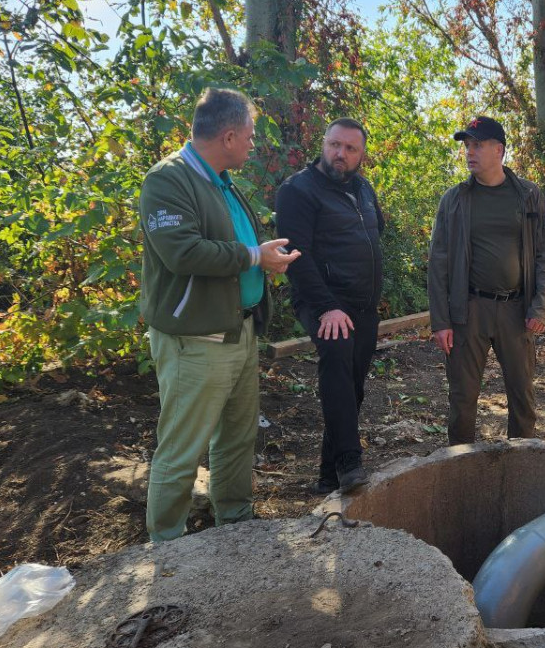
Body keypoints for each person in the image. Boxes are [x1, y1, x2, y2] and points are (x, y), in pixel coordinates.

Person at [139, 88, 300, 542]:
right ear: (228, 136)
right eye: (249, 136)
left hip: (238, 332)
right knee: (181, 448)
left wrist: (260, 259)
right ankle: (167, 546)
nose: (252, 144)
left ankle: (235, 523)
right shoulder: (168, 179)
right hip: (196, 341)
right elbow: (183, 253)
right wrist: (254, 257)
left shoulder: (220, 180)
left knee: (236, 438)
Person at [428, 116, 545, 445]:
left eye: (477, 145)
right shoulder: (454, 200)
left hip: (516, 311)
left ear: (498, 150)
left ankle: (522, 464)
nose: (469, 152)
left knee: (522, 398)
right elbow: (439, 262)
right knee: (462, 400)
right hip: (468, 311)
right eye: (467, 146)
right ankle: (461, 470)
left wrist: (540, 307)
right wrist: (441, 321)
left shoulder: (528, 196)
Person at [275, 118, 384, 494]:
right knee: (337, 366)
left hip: (363, 305)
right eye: (334, 145)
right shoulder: (298, 190)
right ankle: (349, 462)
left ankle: (327, 476)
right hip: (324, 301)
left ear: (361, 155)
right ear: (323, 144)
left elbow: (374, 235)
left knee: (352, 388)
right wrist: (326, 307)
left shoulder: (363, 189)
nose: (340, 154)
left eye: (350, 148)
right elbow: (295, 255)